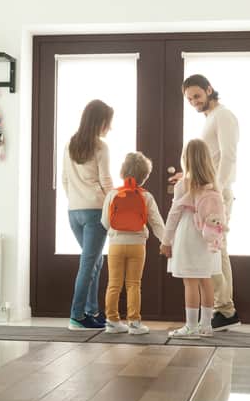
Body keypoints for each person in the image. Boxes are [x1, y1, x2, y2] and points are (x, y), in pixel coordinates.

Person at [174, 74, 241, 331]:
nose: (194, 102)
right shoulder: (210, 119)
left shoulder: (223, 116)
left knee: (215, 249)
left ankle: (225, 310)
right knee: (214, 250)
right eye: (189, 99)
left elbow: (229, 155)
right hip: (207, 192)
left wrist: (216, 187)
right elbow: (211, 158)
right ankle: (223, 309)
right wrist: (191, 177)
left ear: (209, 90)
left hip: (216, 195)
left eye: (197, 96)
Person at [161, 139, 226, 338]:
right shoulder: (214, 185)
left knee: (190, 281)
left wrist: (166, 240)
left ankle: (190, 326)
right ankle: (206, 326)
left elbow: (174, 213)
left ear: (186, 159)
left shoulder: (184, 185)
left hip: (189, 233)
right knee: (206, 279)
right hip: (208, 238)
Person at [61, 99, 114, 330]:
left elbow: (64, 179)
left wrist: (76, 199)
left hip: (74, 211)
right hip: (94, 210)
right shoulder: (100, 146)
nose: (109, 128)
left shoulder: (70, 144)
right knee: (88, 263)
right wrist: (116, 202)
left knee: (95, 261)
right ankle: (77, 316)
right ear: (100, 122)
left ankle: (92, 311)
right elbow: (105, 181)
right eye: (108, 123)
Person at [100, 152, 166, 335]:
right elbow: (157, 223)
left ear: (123, 171)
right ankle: (135, 323)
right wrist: (167, 242)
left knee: (114, 283)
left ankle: (112, 322)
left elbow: (105, 222)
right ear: (144, 176)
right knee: (133, 284)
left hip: (116, 245)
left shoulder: (113, 194)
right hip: (137, 246)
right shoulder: (147, 197)